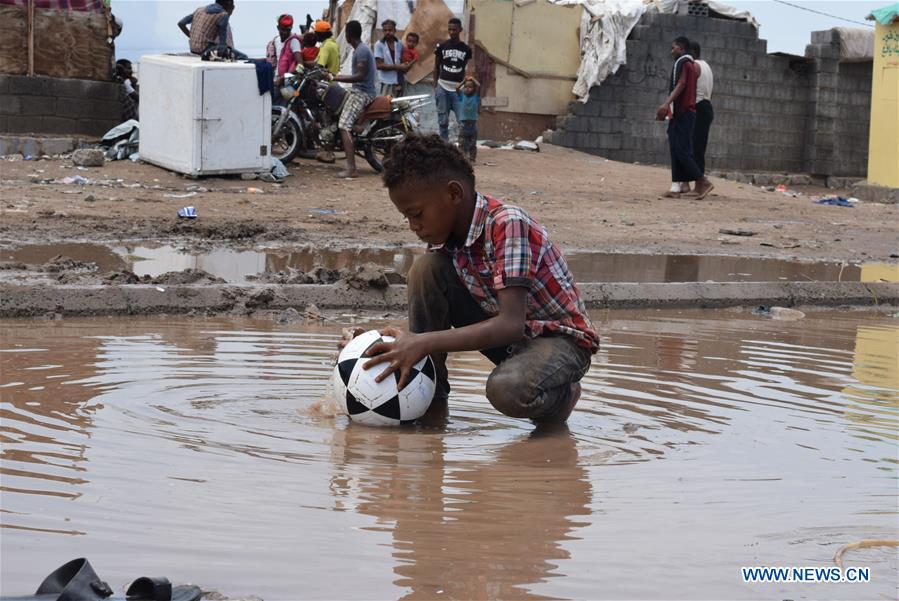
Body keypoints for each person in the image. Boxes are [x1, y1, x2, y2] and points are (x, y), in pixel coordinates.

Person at [340, 135, 598, 424]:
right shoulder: (444, 240)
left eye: (417, 214)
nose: (414, 226)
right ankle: (433, 400)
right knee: (426, 269)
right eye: (407, 218)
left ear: (453, 194)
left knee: (506, 390)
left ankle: (563, 398)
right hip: (509, 335)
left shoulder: (508, 224)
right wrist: (373, 342)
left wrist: (421, 343)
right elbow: (429, 324)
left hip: (559, 340)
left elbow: (510, 324)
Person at [655, 36, 713, 200]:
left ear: (685, 50)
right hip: (702, 106)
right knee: (690, 149)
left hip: (692, 108)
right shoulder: (706, 66)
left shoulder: (690, 65)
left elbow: (682, 84)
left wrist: (667, 103)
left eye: (673, 48)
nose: (671, 51)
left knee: (685, 149)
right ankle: (682, 185)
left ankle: (700, 182)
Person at [331, 20, 377, 178]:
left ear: (348, 35)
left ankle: (352, 168)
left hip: (363, 93)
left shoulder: (361, 51)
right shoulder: (360, 49)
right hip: (360, 91)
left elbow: (360, 76)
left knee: (344, 125)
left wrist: (337, 77)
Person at [433, 18, 472, 141]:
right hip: (442, 87)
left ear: (460, 30)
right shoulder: (442, 46)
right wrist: (435, 84)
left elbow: (465, 68)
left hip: (458, 90)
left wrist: (465, 87)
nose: (451, 32)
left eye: (454, 29)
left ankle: (463, 146)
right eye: (449, 29)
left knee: (463, 120)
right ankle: (444, 146)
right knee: (443, 121)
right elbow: (436, 66)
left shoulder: (466, 49)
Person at [178, 0, 246, 59]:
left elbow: (181, 23)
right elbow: (223, 44)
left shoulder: (199, 10)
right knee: (242, 56)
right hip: (206, 50)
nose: (234, 6)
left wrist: (191, 36)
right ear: (229, 4)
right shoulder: (223, 15)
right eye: (232, 4)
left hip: (193, 49)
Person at [690, 41, 714, 185]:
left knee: (694, 147)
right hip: (707, 106)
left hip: (698, 107)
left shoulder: (693, 66)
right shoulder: (707, 66)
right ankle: (697, 181)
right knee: (699, 147)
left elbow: (688, 91)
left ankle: (700, 183)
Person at [265, 14, 302, 84]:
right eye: (282, 29)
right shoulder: (276, 40)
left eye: (288, 30)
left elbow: (300, 66)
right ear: (278, 28)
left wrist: (284, 77)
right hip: (276, 80)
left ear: (291, 28)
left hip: (288, 83)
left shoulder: (294, 41)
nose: (285, 32)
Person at [374, 19, 406, 97]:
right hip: (386, 82)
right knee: (386, 105)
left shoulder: (399, 43)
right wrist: (398, 67)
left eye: (390, 30)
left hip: (399, 81)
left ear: (395, 30)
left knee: (399, 106)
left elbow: (402, 60)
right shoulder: (379, 45)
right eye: (385, 30)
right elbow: (379, 65)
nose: (387, 32)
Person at [456, 76, 480, 163]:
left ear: (473, 89)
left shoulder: (476, 97)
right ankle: (462, 159)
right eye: (465, 87)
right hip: (463, 125)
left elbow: (479, 86)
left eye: (470, 87)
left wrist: (473, 79)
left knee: (472, 144)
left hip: (473, 126)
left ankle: (472, 159)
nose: (467, 89)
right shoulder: (462, 96)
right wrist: (464, 81)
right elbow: (457, 88)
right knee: (462, 143)